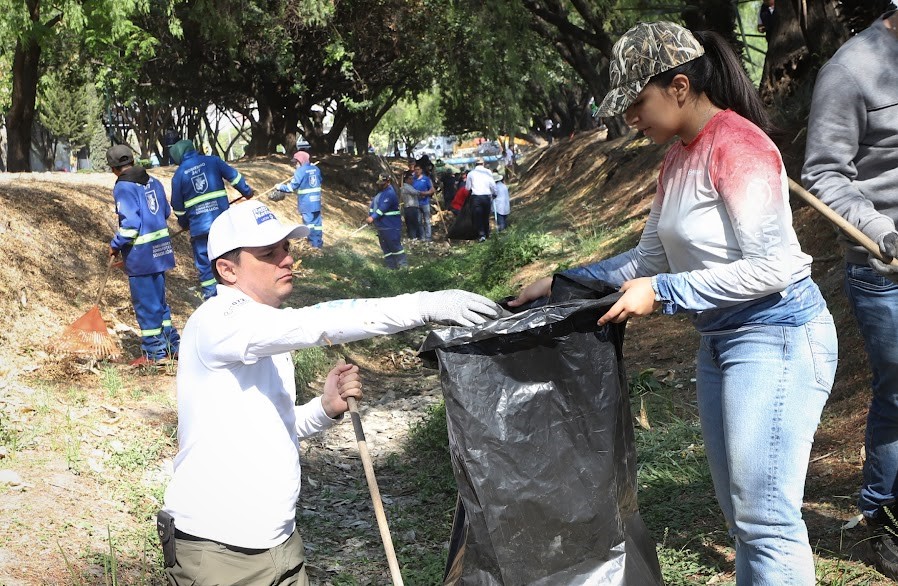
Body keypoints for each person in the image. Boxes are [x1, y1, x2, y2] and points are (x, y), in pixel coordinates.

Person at [510, 22, 837, 585]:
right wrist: (567, 282)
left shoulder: (739, 146)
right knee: (743, 518)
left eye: (638, 103)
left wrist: (664, 294)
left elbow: (775, 267)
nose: (630, 120)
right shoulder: (678, 159)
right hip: (721, 341)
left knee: (766, 520)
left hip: (779, 336)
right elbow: (647, 262)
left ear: (680, 87)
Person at [158, 200, 501, 584]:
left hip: (281, 545)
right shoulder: (219, 322)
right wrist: (421, 305)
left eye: (286, 248)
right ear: (228, 269)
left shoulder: (262, 332)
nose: (286, 259)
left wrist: (324, 408)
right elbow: (317, 321)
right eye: (268, 254)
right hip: (219, 554)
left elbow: (274, 425)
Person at [801, 8, 898, 579]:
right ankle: (881, 517)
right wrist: (884, 234)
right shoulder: (850, 69)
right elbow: (824, 175)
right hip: (885, 272)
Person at [106, 144, 180, 365]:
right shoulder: (153, 181)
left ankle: (154, 354)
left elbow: (131, 226)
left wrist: (115, 244)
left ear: (113, 168)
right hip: (161, 251)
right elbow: (166, 212)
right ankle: (172, 346)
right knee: (160, 303)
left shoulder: (123, 188)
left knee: (146, 307)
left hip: (141, 256)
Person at [170, 140, 255, 300]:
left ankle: (212, 298)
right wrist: (247, 192)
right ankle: (237, 293)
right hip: (222, 224)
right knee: (230, 257)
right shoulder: (213, 161)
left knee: (205, 264)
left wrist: (184, 223)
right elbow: (235, 178)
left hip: (199, 229)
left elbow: (178, 207)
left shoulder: (178, 175)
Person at [272, 151, 324, 249]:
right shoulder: (316, 169)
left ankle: (313, 246)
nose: (295, 165)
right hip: (316, 202)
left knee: (309, 225)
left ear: (300, 162)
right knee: (317, 225)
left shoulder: (300, 171)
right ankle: (318, 244)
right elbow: (320, 180)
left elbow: (291, 188)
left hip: (306, 204)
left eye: (296, 163)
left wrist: (280, 186)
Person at [367, 173, 407, 269]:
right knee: (386, 248)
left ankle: (403, 266)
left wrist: (373, 217)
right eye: (380, 183)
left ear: (388, 182)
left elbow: (382, 209)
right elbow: (373, 207)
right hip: (381, 226)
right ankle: (391, 267)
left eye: (383, 183)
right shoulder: (379, 193)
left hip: (391, 225)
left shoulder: (390, 193)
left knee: (395, 246)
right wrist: (370, 215)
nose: (380, 185)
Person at [465, 158, 497, 242]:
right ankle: (487, 233)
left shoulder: (470, 174)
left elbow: (467, 188)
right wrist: (495, 193)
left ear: (475, 164)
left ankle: (481, 235)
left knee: (478, 216)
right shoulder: (488, 172)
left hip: (476, 197)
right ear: (483, 163)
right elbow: (493, 185)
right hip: (486, 197)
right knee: (486, 216)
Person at [412, 162, 435, 242]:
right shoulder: (412, 179)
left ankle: (428, 237)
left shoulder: (426, 179)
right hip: (416, 203)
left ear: (421, 170)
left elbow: (432, 190)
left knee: (427, 220)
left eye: (418, 170)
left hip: (425, 202)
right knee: (418, 221)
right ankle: (422, 237)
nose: (417, 171)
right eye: (415, 170)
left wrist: (425, 193)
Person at [400, 170, 423, 240]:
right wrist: (428, 192)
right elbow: (416, 192)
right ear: (406, 180)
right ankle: (413, 238)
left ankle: (416, 238)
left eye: (412, 179)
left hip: (413, 208)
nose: (412, 180)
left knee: (415, 223)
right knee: (412, 224)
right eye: (410, 179)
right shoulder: (406, 187)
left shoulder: (410, 186)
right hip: (410, 208)